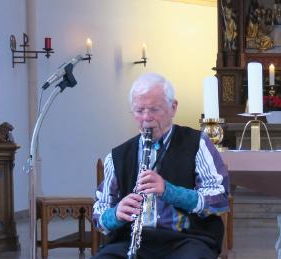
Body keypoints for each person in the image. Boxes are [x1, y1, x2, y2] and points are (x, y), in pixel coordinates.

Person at [93, 73, 230, 258]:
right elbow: (99, 216)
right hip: (131, 240)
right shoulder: (117, 156)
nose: (146, 118)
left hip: (187, 240)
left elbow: (220, 199)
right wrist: (116, 214)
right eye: (139, 111)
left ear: (173, 108)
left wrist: (169, 191)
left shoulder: (198, 143)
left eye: (154, 109)